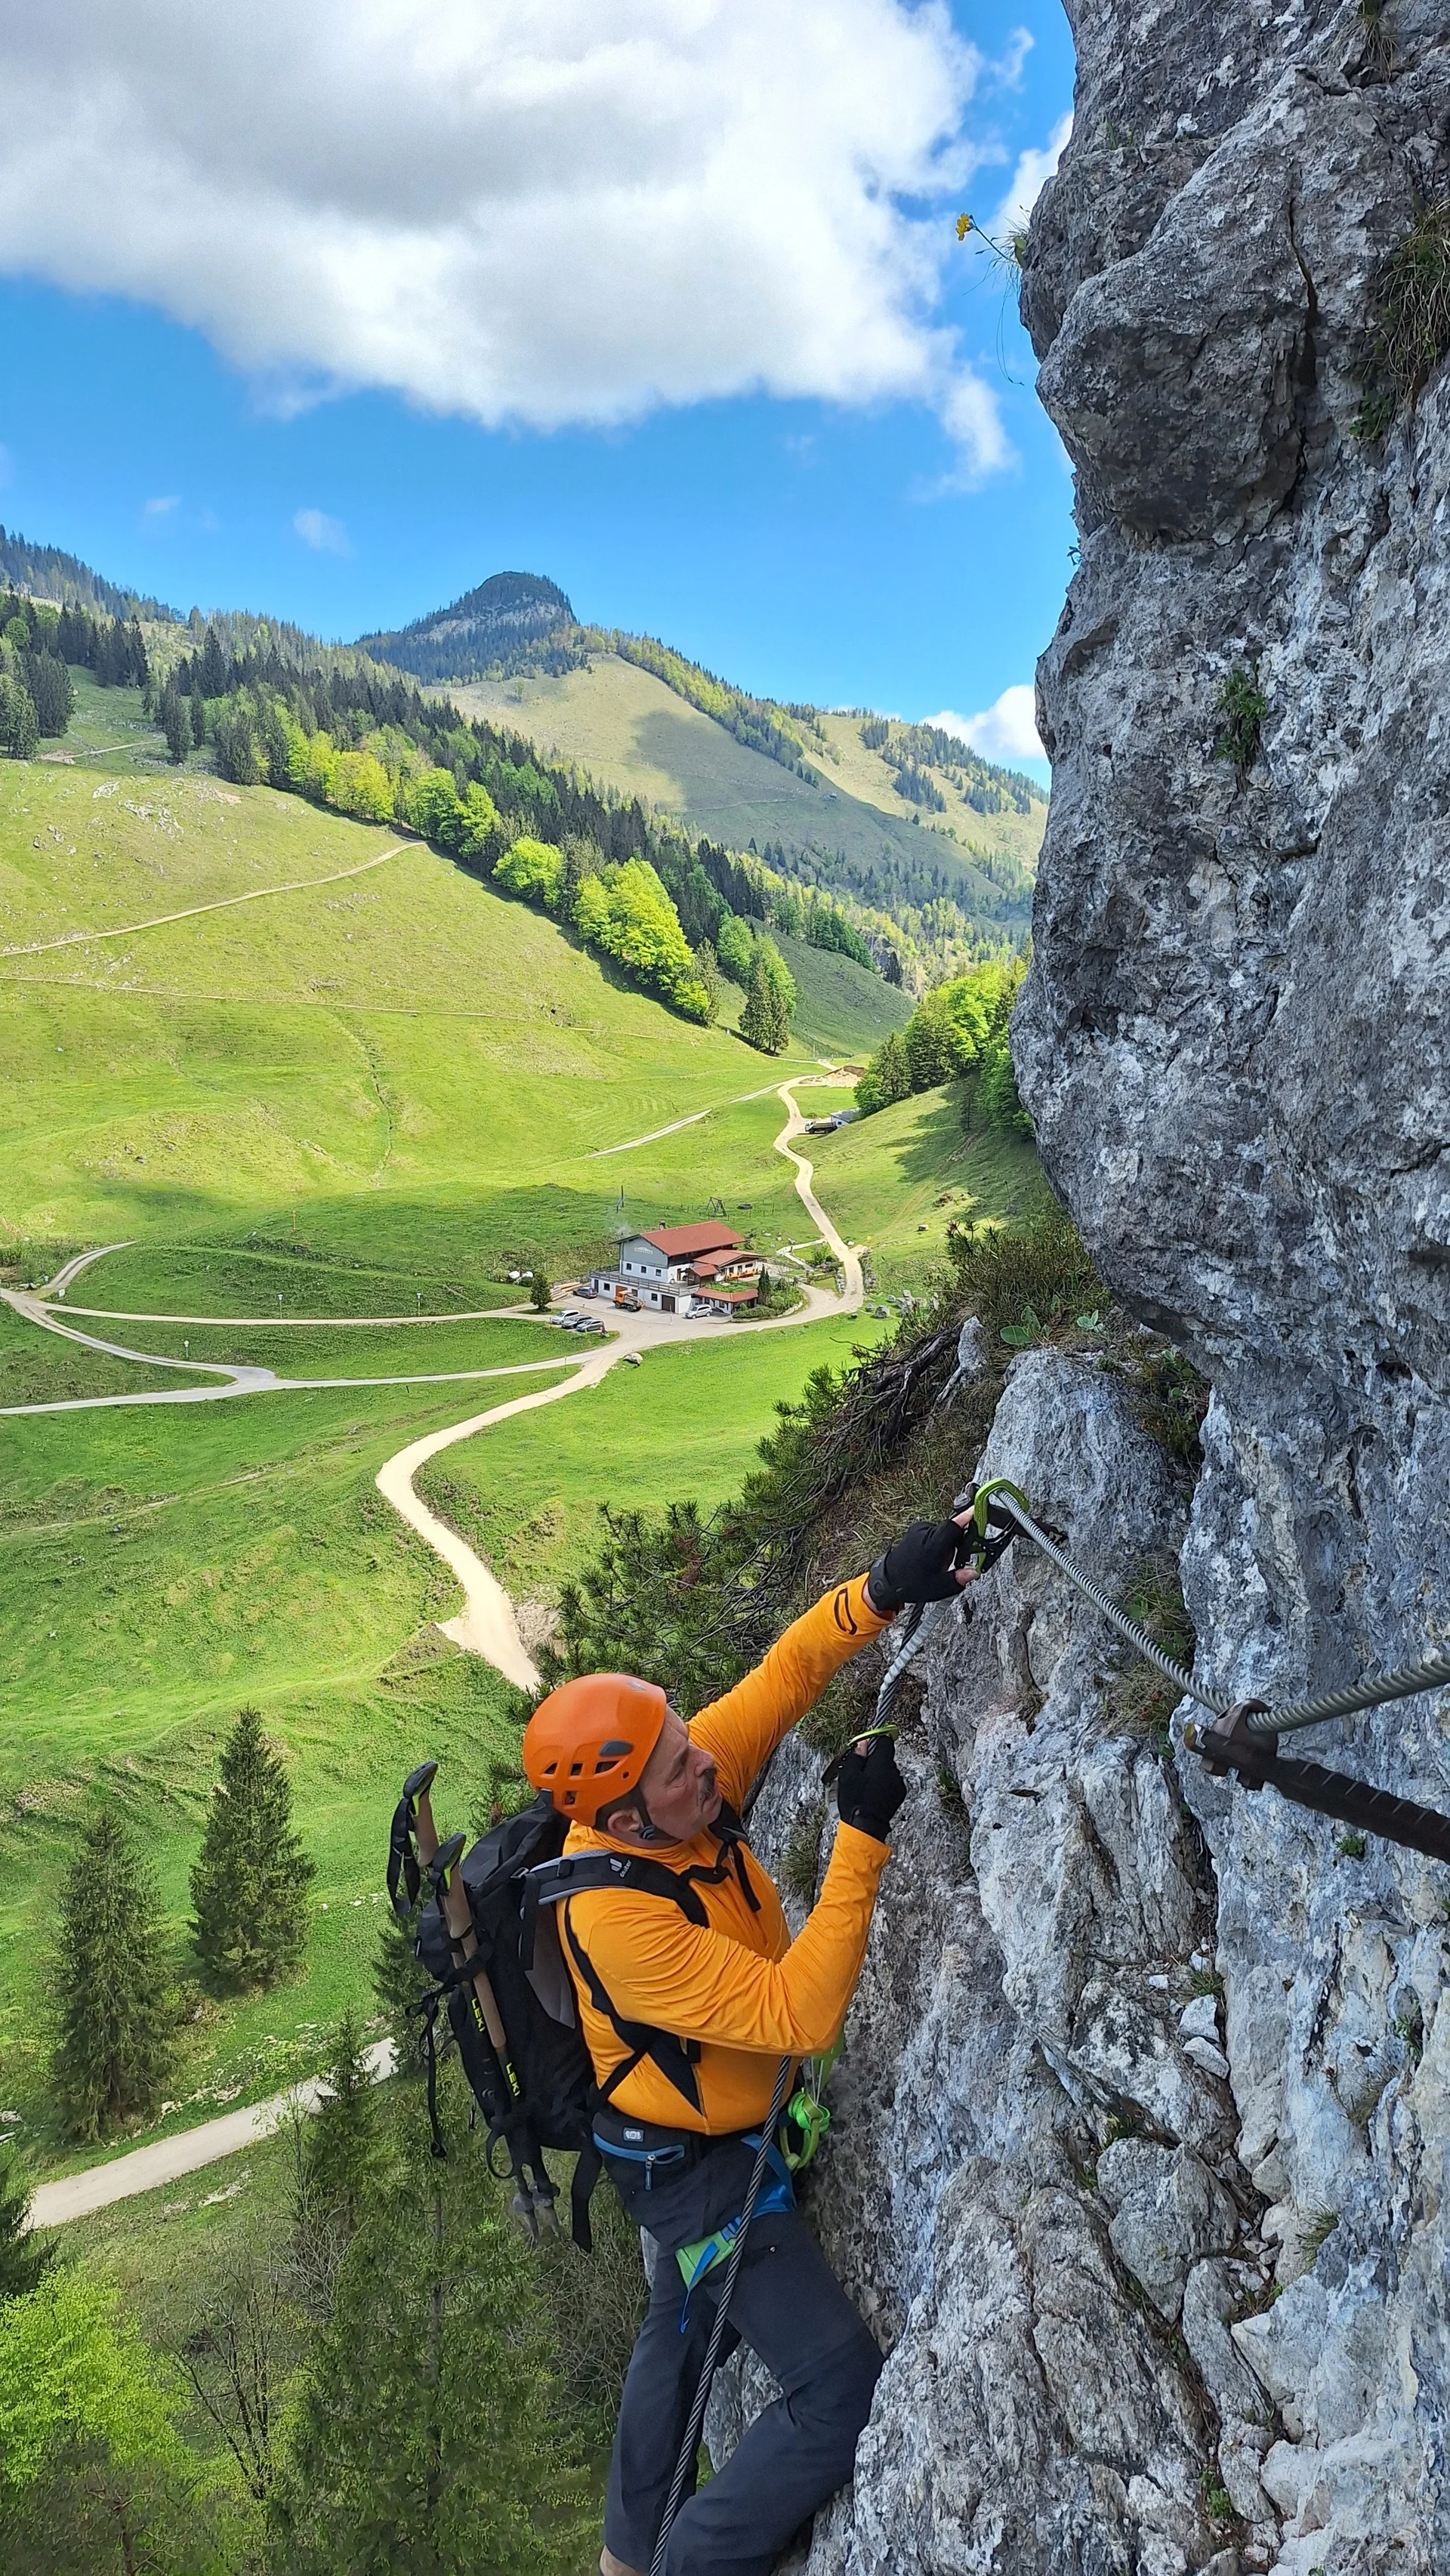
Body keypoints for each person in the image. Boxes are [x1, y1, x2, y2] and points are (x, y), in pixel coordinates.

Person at [521, 1515, 977, 2576]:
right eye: (680, 1770)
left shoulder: (673, 1785)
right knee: (839, 2390)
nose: (707, 1766)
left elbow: (786, 1674)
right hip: (705, 2178)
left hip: (686, 2138)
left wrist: (885, 1583)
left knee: (683, 2321)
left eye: (689, 1742)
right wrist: (861, 1836)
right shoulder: (618, 1923)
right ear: (625, 1824)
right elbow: (800, 2013)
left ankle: (627, 2556)